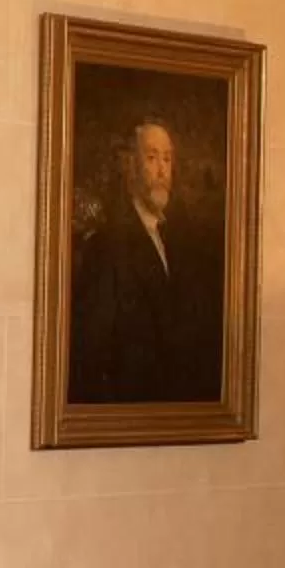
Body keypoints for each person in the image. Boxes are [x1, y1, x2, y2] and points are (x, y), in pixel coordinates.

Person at [67, 116, 223, 405]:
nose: (162, 169)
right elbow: (91, 352)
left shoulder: (184, 241)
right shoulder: (107, 246)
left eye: (167, 159)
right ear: (130, 166)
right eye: (151, 158)